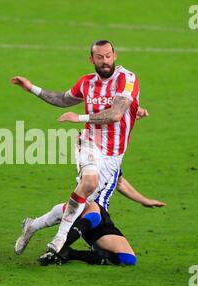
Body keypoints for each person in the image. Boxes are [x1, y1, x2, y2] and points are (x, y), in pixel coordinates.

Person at [12, 40, 141, 254]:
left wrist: (79, 117)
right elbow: (63, 99)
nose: (105, 60)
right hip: (89, 142)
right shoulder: (86, 83)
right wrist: (32, 88)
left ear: (115, 56)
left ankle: (32, 226)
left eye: (108, 55)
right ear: (91, 59)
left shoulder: (127, 79)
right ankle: (60, 238)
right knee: (89, 182)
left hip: (113, 155)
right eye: (99, 57)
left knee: (81, 203)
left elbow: (117, 113)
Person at [14, 172, 166, 255]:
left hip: (100, 217)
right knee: (92, 211)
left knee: (128, 259)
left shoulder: (115, 159)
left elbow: (120, 182)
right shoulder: (94, 156)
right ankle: (57, 249)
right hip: (89, 208)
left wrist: (144, 200)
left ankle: (33, 226)